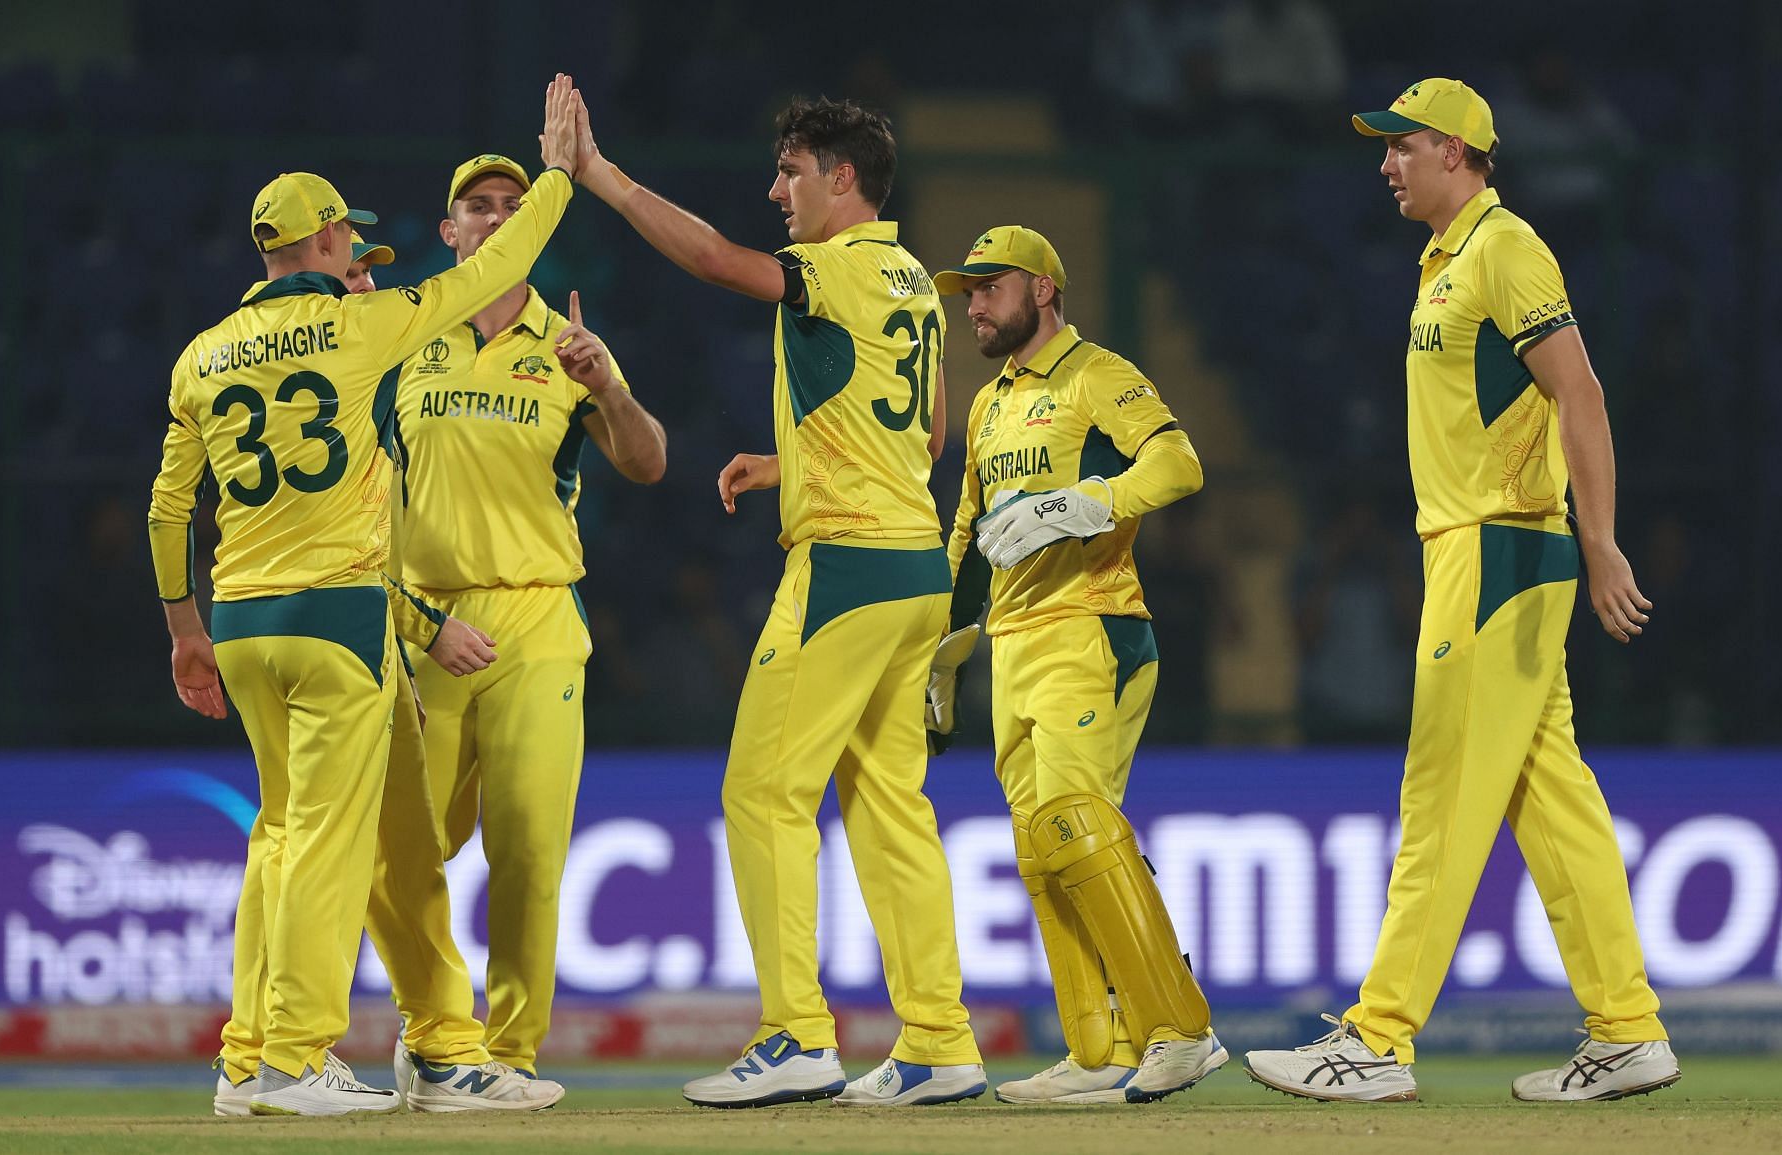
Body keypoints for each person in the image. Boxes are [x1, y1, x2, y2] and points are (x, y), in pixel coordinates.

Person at [147, 74, 582, 1117]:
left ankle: (278, 1052)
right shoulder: (369, 326)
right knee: (332, 846)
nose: (361, 254)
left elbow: (169, 510)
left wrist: (185, 635)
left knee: (304, 836)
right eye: (353, 240)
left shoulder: (202, 354)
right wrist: (561, 174)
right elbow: (508, 257)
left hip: (243, 618)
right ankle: (294, 1060)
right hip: (339, 617)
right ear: (333, 238)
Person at [1242, 78, 1679, 1103]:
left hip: (1497, 555)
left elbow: (1581, 392)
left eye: (1399, 147)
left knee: (1439, 800)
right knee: (1551, 801)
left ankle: (1377, 1039)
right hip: (1484, 556)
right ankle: (1628, 1031)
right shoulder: (1447, 263)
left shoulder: (1504, 248)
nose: (1384, 164)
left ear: (1453, 150)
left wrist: (1601, 539)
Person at [568, 91, 986, 1108]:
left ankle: (797, 1034)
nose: (775, 191)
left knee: (761, 795)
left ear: (844, 179)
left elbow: (716, 258)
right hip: (917, 572)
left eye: (791, 172)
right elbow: (930, 435)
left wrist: (599, 175)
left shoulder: (833, 268)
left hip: (841, 570)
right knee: (891, 809)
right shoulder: (916, 285)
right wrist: (793, 460)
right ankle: (938, 1039)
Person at [209, 232, 566, 1116]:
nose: (366, 281)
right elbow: (351, 547)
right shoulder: (368, 368)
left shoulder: (337, 367)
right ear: (319, 275)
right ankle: (282, 1053)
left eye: (371, 270)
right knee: (328, 841)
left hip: (320, 627)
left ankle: (423, 1047)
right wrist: (425, 621)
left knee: (374, 844)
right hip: (353, 635)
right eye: (353, 267)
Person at [389, 152, 667, 1098]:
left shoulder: (567, 339)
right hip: (424, 622)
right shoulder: (402, 333)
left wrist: (612, 392)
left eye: (516, 203)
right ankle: (434, 1033)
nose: (501, 217)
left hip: (539, 617)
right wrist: (412, 618)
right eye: (479, 205)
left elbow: (648, 462)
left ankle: (502, 1058)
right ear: (449, 232)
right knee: (405, 847)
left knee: (531, 851)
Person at [929, 225, 1220, 1104]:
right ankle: (1098, 1052)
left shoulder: (1099, 374)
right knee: (1042, 849)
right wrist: (935, 649)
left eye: (989, 286)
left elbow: (1179, 462)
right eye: (967, 290)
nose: (973, 303)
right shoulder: (987, 405)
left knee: (1070, 821)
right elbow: (968, 535)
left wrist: (1085, 501)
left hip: (1094, 628)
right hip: (1010, 646)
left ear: (1044, 289)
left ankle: (1179, 1028)